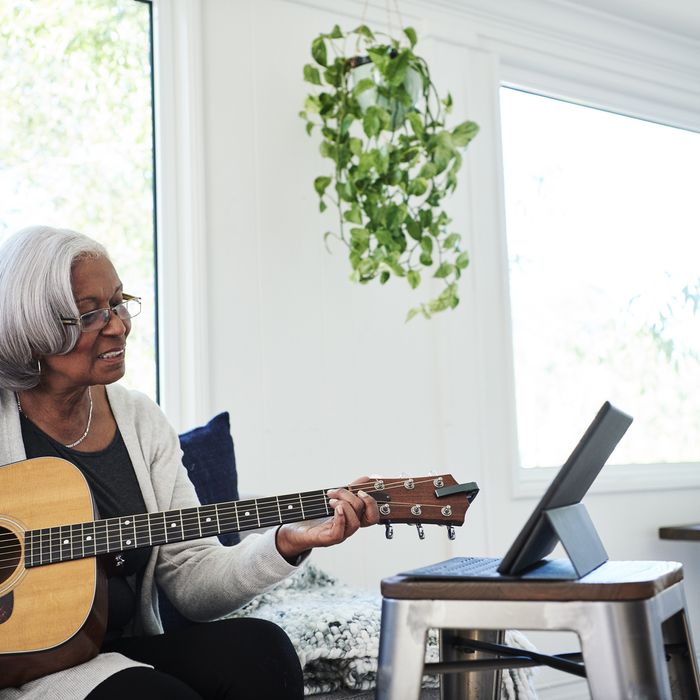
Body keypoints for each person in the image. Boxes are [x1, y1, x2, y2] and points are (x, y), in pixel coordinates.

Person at [0, 225, 380, 699]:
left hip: (122, 650)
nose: (118, 324)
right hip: (33, 670)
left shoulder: (139, 419)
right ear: (32, 325)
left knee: (263, 652)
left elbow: (191, 577)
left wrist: (285, 542)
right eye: (91, 314)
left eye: (118, 303)